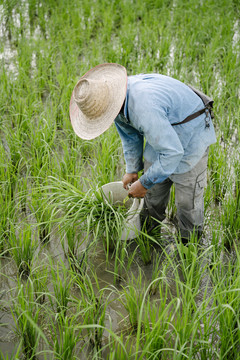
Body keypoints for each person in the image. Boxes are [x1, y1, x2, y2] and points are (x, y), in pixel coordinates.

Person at [69, 63, 216, 243]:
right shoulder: (116, 103)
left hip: (190, 134)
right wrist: (132, 170)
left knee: (187, 203)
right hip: (163, 131)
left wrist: (144, 183)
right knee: (152, 197)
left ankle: (189, 247)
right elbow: (130, 137)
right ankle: (148, 238)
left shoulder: (143, 106)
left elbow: (173, 153)